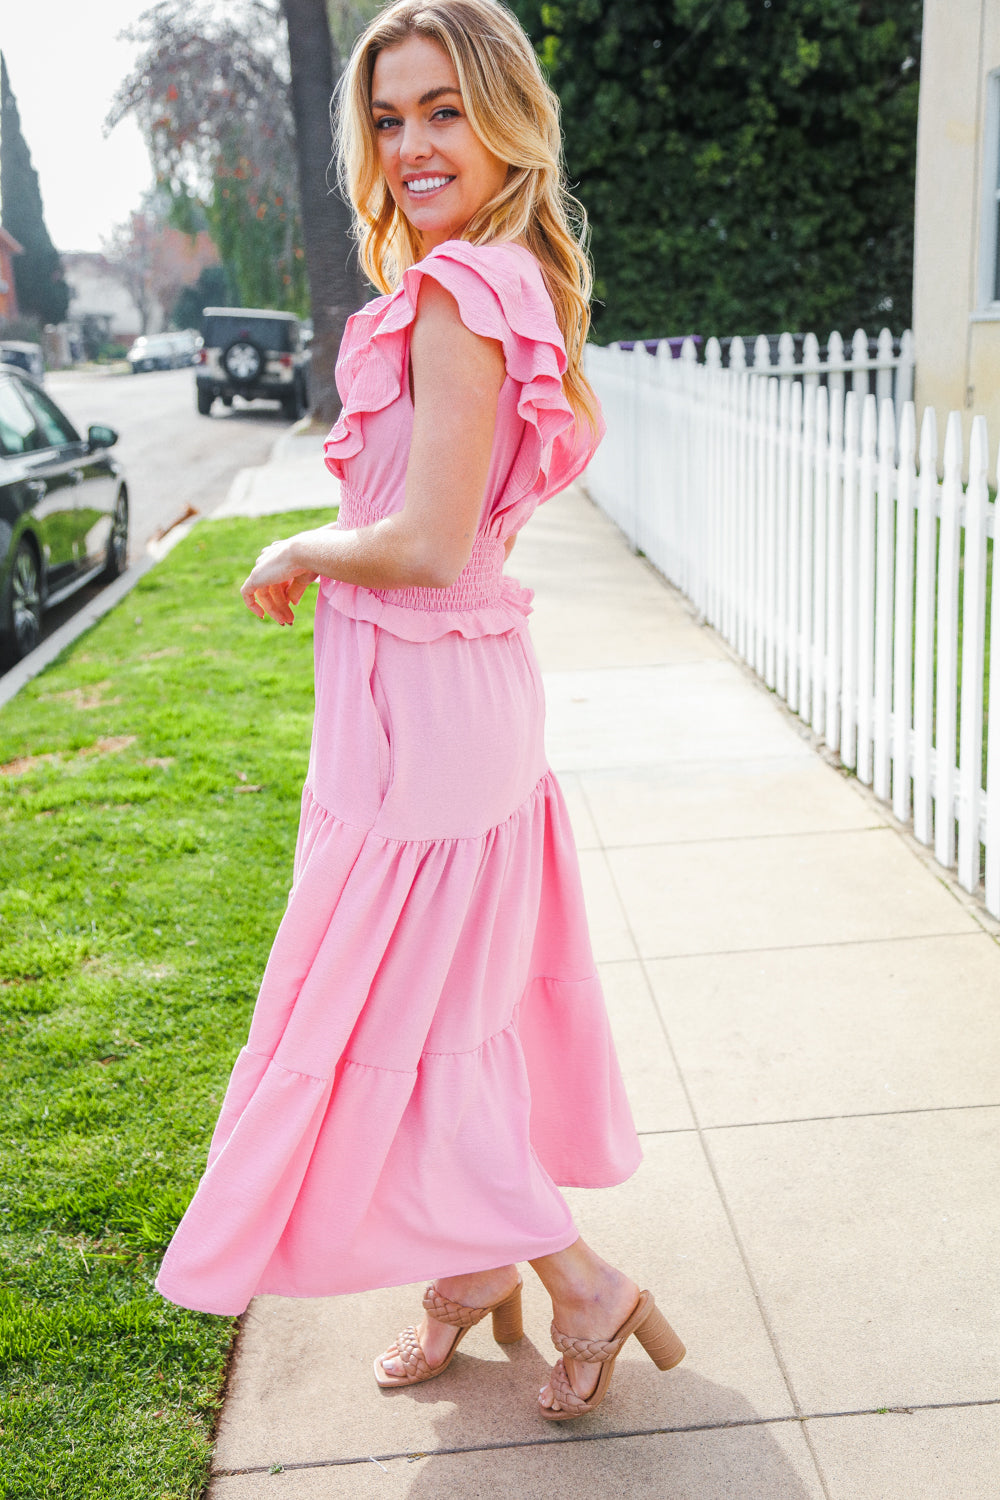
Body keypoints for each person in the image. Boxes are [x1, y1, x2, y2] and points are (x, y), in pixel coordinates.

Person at [155, 0, 685, 1421]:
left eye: (443, 109)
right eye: (389, 119)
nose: (412, 144)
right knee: (449, 1015)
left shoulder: (462, 296)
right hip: (440, 701)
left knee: (405, 1026)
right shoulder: (495, 277)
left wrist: (295, 549)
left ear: (505, 113)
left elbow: (428, 542)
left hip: (428, 717)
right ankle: (470, 1273)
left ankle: (579, 1287)